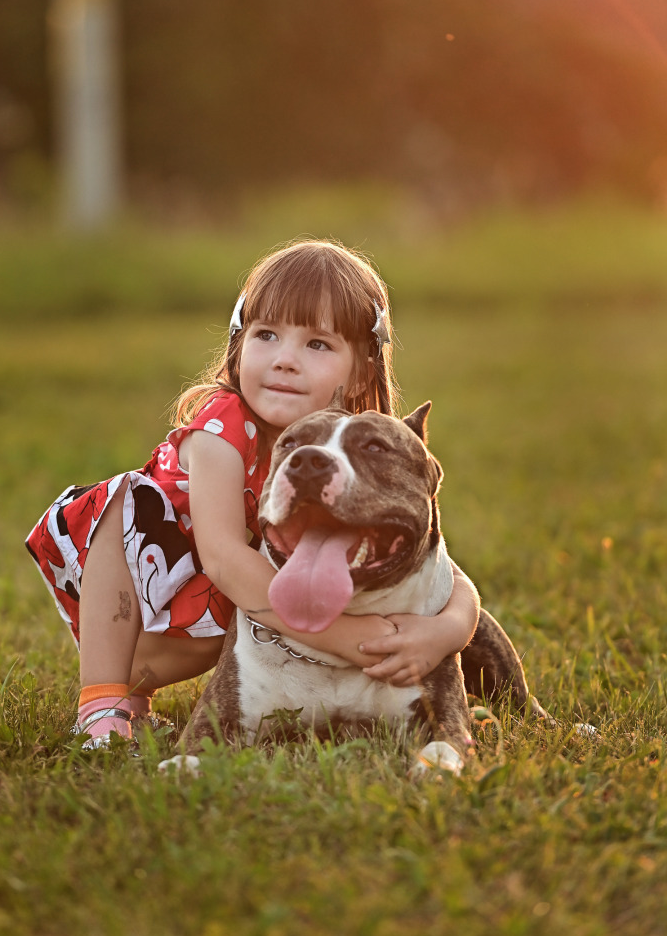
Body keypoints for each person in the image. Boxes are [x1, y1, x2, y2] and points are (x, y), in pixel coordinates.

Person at [26, 240, 479, 747]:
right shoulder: (222, 426)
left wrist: (447, 632)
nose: (285, 360)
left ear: (362, 371)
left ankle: (135, 695)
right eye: (267, 335)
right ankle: (104, 702)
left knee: (254, 591)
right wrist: (355, 642)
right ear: (239, 347)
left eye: (317, 344)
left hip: (219, 613)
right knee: (127, 498)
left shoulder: (354, 450)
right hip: (136, 599)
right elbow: (221, 558)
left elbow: (440, 562)